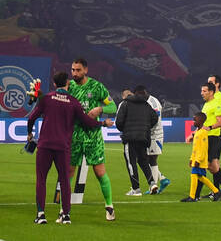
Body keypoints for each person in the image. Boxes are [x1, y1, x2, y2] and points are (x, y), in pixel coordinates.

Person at [26, 70, 105, 224]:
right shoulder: (74, 102)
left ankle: (41, 215)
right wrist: (102, 123)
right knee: (64, 180)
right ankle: (66, 215)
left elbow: (31, 118)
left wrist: (29, 133)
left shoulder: (47, 98)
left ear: (55, 84)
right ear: (67, 83)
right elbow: (86, 122)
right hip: (63, 146)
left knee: (41, 179)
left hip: (45, 145)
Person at [67, 57, 118, 221]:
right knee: (68, 172)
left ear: (86, 70)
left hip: (93, 137)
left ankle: (109, 206)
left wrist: (100, 109)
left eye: (78, 70)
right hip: (73, 137)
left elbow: (113, 106)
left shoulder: (97, 87)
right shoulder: (69, 87)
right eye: (73, 70)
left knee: (100, 172)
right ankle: (65, 210)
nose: (75, 73)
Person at [195, 77, 221, 199]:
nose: (202, 93)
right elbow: (203, 123)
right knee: (209, 165)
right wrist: (194, 134)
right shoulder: (207, 104)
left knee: (210, 166)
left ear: (212, 91)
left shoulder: (218, 101)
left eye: (204, 91)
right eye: (201, 91)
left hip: (214, 137)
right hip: (207, 138)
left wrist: (210, 127)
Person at [116, 85, 158, 196]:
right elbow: (155, 118)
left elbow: (119, 122)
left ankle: (136, 189)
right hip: (143, 137)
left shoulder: (125, 104)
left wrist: (125, 129)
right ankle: (152, 183)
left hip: (130, 138)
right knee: (143, 161)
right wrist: (146, 127)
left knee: (131, 162)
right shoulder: (146, 104)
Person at [180, 112, 221, 203]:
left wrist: (198, 160)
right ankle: (216, 191)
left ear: (201, 121)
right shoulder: (197, 132)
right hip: (196, 159)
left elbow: (203, 148)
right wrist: (191, 158)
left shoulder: (203, 133)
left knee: (194, 175)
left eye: (195, 120)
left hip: (200, 160)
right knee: (201, 177)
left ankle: (192, 196)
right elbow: (195, 148)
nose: (193, 121)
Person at [142, 86, 170, 194]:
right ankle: (162, 179)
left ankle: (153, 188)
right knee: (145, 159)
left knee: (152, 160)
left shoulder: (153, 103)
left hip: (155, 135)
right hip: (148, 134)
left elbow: (154, 121)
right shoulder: (147, 101)